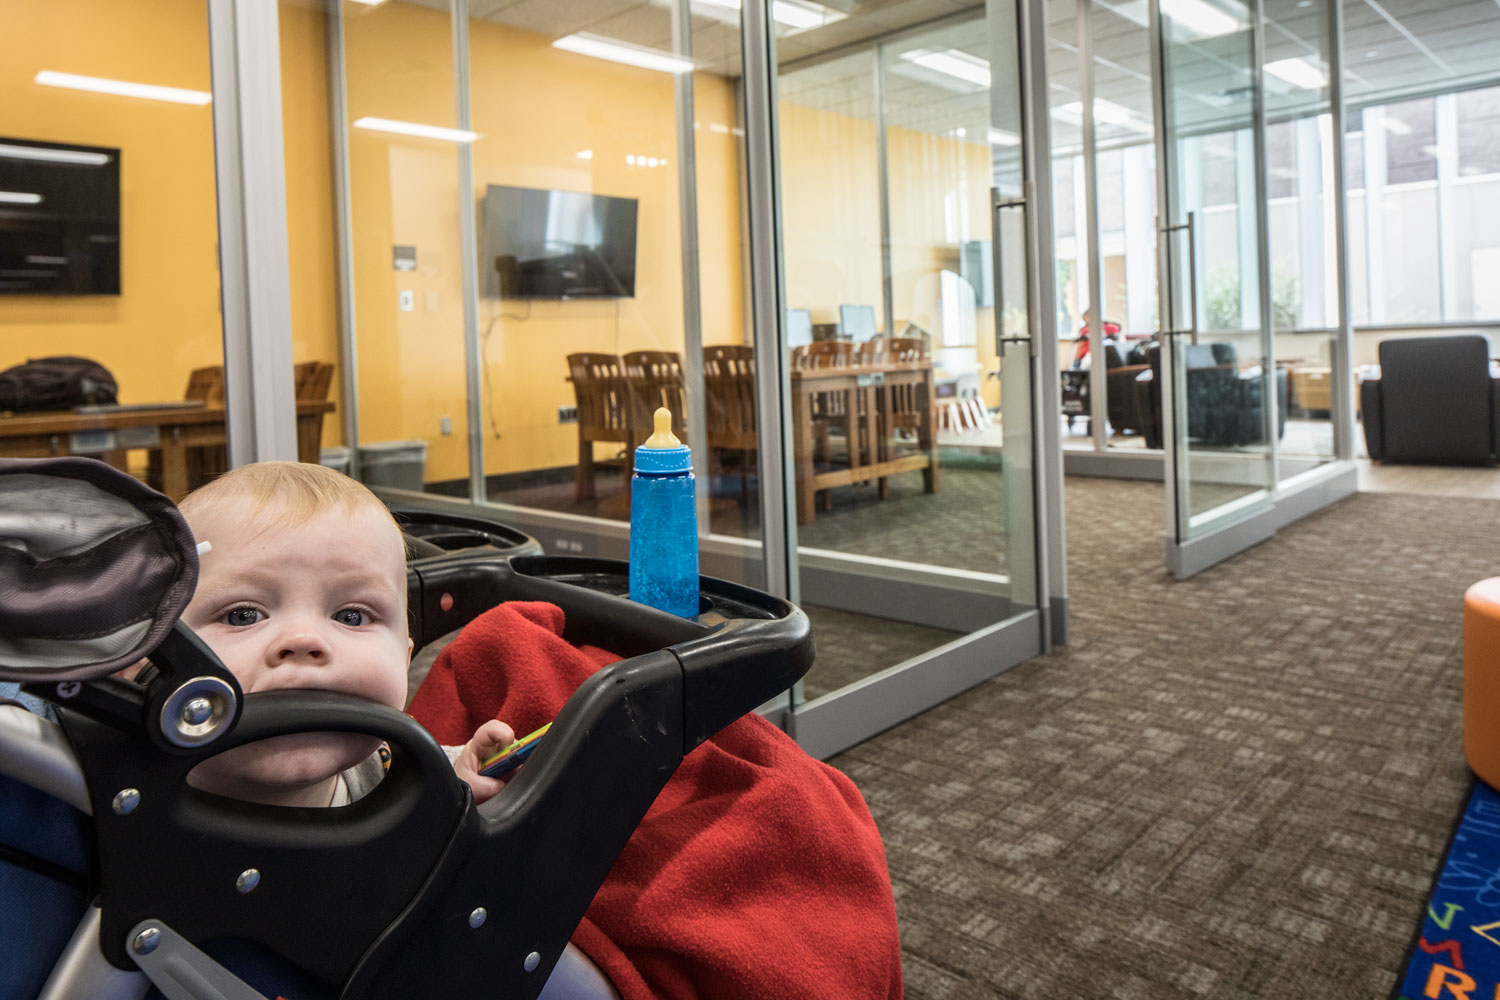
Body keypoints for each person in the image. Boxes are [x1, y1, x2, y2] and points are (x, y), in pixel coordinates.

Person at [170, 460, 514, 808]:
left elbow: (427, 769)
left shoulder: (404, 775)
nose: (303, 640)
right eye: (243, 616)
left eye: (351, 617)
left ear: (405, 658)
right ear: (150, 655)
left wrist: (457, 775)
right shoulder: (122, 799)